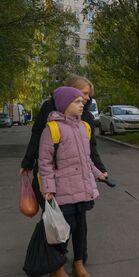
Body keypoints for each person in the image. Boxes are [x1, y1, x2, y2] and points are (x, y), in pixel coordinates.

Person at [20, 75, 107, 264]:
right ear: (69, 93)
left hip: (77, 180)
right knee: (56, 221)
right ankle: (54, 264)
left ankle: (79, 260)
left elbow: (90, 148)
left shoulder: (86, 117)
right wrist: (27, 163)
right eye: (82, 94)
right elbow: (39, 140)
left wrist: (99, 169)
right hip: (51, 178)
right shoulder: (50, 113)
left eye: (88, 95)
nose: (85, 99)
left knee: (79, 221)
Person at [39, 87, 106, 277]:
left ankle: (78, 263)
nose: (82, 104)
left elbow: (86, 159)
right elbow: (45, 163)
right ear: (64, 105)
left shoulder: (83, 127)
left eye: (81, 101)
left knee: (81, 228)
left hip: (82, 188)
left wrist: (98, 174)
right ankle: (56, 270)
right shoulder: (52, 129)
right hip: (62, 189)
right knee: (63, 230)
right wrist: (48, 188)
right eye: (77, 101)